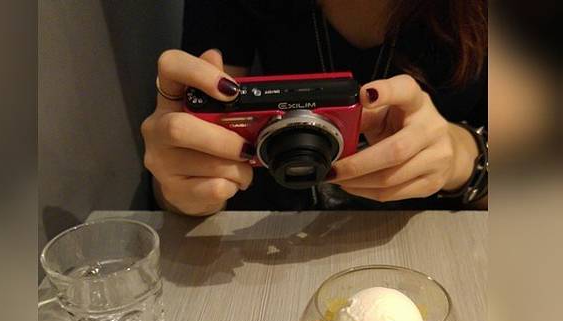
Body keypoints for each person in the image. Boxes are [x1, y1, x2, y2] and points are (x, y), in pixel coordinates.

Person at [141, 0, 487, 215]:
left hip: (441, 233)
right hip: (268, 233)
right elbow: (194, 153)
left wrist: (461, 158)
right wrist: (183, 188)